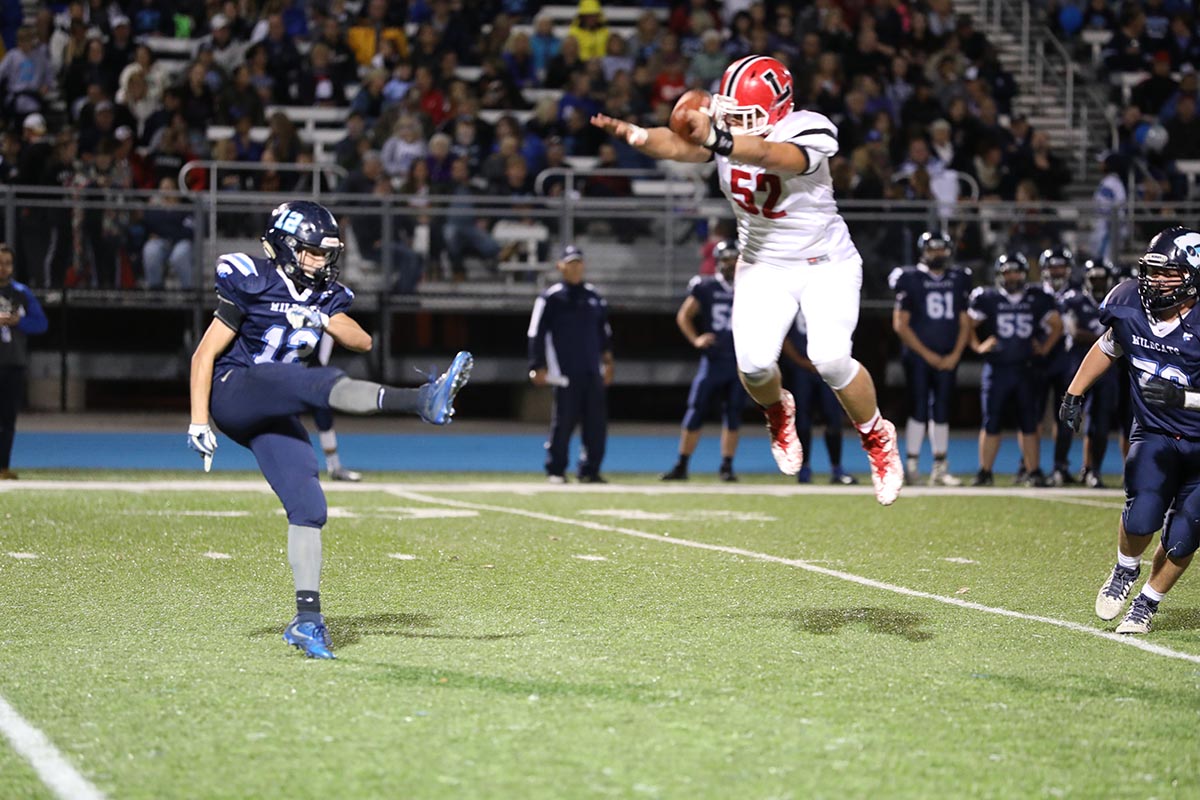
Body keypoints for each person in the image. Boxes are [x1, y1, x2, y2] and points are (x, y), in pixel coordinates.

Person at [591, 54, 904, 505]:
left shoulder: (809, 128)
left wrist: (717, 135)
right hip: (762, 264)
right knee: (755, 367)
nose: (737, 121)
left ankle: (877, 438)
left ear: (778, 109)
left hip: (826, 263)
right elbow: (680, 147)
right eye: (732, 112)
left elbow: (768, 154)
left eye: (746, 115)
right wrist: (637, 135)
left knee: (830, 358)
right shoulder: (729, 124)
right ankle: (779, 412)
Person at [187, 201, 473, 659]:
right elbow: (204, 356)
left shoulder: (324, 297)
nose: (321, 262)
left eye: (326, 254)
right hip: (235, 389)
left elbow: (362, 340)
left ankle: (307, 620)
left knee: (309, 506)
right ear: (284, 246)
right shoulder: (251, 279)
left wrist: (321, 319)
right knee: (311, 382)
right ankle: (419, 400)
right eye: (312, 252)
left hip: (277, 406)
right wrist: (199, 420)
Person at [1060, 227, 1200, 634]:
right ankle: (1125, 569)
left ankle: (1147, 603)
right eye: (1151, 272)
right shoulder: (1128, 304)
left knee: (1185, 535)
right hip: (1155, 432)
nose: (1155, 281)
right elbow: (1109, 345)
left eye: (1168, 273)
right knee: (1140, 518)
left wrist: (1184, 399)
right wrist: (1075, 391)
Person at [968, 253, 1062, 487]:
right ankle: (985, 471)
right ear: (1000, 275)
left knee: (1029, 423)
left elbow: (1057, 326)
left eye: (1017, 272)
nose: (1012, 276)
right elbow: (966, 324)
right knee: (991, 422)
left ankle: (1033, 471)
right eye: (1008, 272)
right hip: (997, 368)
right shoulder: (987, 298)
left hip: (1025, 369)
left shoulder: (1037, 297)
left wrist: (1044, 348)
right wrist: (978, 346)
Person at [889, 230, 972, 486]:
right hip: (918, 356)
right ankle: (912, 465)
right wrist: (928, 355)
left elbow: (964, 320)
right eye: (933, 248)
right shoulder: (910, 277)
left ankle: (939, 467)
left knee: (943, 409)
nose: (938, 253)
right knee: (919, 408)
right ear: (923, 251)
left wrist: (955, 354)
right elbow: (900, 324)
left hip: (948, 355)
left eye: (942, 248)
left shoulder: (959, 277)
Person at [661, 239, 746, 482]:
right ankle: (682, 464)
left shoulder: (750, 286)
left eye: (734, 258)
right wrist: (696, 339)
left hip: (739, 361)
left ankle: (727, 466)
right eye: (726, 259)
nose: (730, 264)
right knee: (696, 410)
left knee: (733, 414)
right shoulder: (706, 286)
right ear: (719, 262)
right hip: (714, 359)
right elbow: (684, 316)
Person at [527, 245, 613, 484]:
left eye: (579, 263)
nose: (575, 268)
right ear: (561, 266)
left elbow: (604, 334)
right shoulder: (551, 297)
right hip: (564, 371)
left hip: (591, 369)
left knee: (596, 423)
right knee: (563, 421)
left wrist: (608, 363)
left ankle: (590, 469)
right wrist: (537, 364)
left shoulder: (594, 296)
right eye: (571, 263)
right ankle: (556, 469)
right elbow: (536, 333)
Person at [782, 309, 858, 485]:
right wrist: (801, 362)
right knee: (802, 420)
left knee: (833, 417)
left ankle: (837, 468)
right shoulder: (791, 299)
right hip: (799, 368)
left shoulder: (827, 299)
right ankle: (804, 468)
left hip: (827, 366)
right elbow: (782, 337)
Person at [0, 243, 47, 479]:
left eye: (7, 263)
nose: (3, 268)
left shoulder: (21, 293)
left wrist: (19, 323)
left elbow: (41, 324)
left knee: (8, 419)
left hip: (13, 362)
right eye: (0, 263)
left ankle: (3, 467)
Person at [1034, 246, 1080, 485]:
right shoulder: (1034, 293)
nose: (1057, 270)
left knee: (1064, 416)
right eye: (1053, 266)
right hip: (1039, 362)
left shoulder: (1079, 293)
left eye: (1061, 266)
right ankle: (1030, 466)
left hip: (1067, 362)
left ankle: (1060, 466)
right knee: (1032, 416)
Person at [313, 332, 361, 482]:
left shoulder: (322, 313)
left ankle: (334, 466)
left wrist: (319, 369)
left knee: (324, 417)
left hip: (311, 372)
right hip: (288, 372)